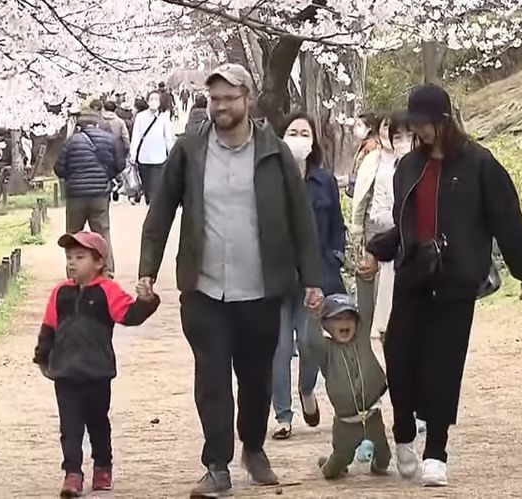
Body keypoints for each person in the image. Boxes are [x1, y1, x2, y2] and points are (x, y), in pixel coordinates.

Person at [138, 64, 325, 498]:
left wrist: (311, 278)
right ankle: (217, 464)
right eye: (213, 99)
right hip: (203, 288)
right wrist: (148, 269)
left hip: (260, 288)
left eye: (228, 98)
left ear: (247, 99)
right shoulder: (190, 149)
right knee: (212, 375)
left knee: (257, 376)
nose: (220, 106)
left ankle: (254, 447)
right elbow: (161, 211)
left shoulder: (275, 153)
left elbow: (301, 221)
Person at [359, 84, 522, 487]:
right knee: (399, 355)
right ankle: (403, 429)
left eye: (426, 124)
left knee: (444, 364)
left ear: (444, 120)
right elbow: (404, 227)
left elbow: (507, 220)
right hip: (412, 276)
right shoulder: (408, 166)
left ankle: (436, 452)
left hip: (456, 281)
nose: (419, 132)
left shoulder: (480, 164)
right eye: (414, 124)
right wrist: (376, 249)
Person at [34, 231, 161, 497]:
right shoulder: (60, 292)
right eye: (69, 257)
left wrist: (147, 301)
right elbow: (49, 325)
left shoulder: (108, 290)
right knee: (69, 426)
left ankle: (103, 466)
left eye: (80, 257)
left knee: (97, 422)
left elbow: (130, 315)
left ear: (99, 262)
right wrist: (43, 356)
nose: (72, 263)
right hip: (65, 373)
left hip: (97, 372)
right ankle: (72, 474)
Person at [270, 112, 347, 440]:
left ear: (314, 141)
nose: (299, 138)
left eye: (305, 133)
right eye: (292, 131)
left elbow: (336, 225)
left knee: (312, 341)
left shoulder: (324, 180)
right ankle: (283, 415)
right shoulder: (268, 177)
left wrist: (334, 256)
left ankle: (306, 389)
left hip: (315, 277)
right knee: (280, 347)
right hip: (276, 276)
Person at [303, 276, 389, 480]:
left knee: (384, 458)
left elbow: (366, 308)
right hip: (345, 423)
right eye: (337, 319)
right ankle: (329, 464)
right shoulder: (326, 351)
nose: (344, 323)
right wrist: (314, 315)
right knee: (337, 465)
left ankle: (377, 464)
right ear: (326, 325)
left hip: (372, 416)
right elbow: (311, 341)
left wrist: (364, 278)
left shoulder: (361, 339)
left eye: (349, 318)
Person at [349, 113, 413, 341]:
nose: (403, 142)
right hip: (393, 252)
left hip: (429, 260)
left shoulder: (435, 169)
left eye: (409, 135)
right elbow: (376, 210)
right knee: (390, 322)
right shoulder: (384, 173)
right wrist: (404, 221)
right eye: (398, 136)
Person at [55, 114, 124, 275]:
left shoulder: (71, 142)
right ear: (98, 124)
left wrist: (72, 177)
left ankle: (72, 271)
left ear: (80, 126)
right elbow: (120, 165)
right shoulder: (110, 139)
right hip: (100, 194)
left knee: (73, 233)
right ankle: (107, 270)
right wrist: (106, 177)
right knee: (102, 231)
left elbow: (59, 168)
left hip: (76, 195)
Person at [129, 90, 175, 204]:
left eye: (156, 99)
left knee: (156, 188)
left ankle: (154, 211)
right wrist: (133, 153)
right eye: (151, 99)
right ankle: (150, 203)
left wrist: (172, 154)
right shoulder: (140, 116)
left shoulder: (164, 117)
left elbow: (168, 138)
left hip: (159, 158)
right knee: (147, 188)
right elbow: (136, 136)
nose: (153, 101)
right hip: (144, 158)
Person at [345, 113, 381, 198]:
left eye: (359, 125)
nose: (356, 128)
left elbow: (369, 172)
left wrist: (351, 179)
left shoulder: (372, 145)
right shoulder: (364, 144)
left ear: (369, 128)